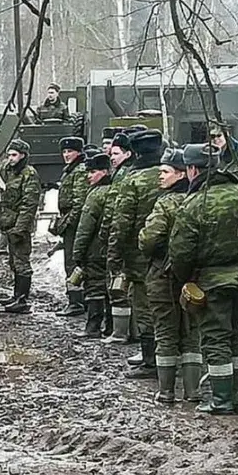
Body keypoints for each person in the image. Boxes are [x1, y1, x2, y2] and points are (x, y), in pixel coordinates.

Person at [168, 143, 238, 415]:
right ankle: (236, 397)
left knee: (215, 340)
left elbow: (181, 250)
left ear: (192, 169)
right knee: (234, 336)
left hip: (210, 281)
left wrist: (182, 280)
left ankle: (221, 400)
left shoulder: (194, 203)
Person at [137, 147, 202, 404]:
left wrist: (144, 240)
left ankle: (166, 392)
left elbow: (149, 239)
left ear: (181, 173)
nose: (159, 177)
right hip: (195, 278)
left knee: (165, 331)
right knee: (191, 333)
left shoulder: (166, 202)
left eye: (165, 172)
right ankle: (193, 391)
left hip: (163, 276)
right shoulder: (199, 199)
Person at [108, 129, 165, 377]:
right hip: (170, 253)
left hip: (139, 254)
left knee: (144, 306)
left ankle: (150, 361)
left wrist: (114, 254)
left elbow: (121, 221)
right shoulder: (171, 173)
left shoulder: (134, 180)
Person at [0, 139, 41, 313]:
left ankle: (22, 299)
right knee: (13, 262)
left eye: (14, 155)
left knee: (22, 262)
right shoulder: (5, 170)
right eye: (9, 155)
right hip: (7, 223)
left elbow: (29, 205)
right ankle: (16, 295)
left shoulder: (29, 174)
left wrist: (20, 229)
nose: (10, 158)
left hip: (19, 225)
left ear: (23, 156)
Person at [72, 150, 113, 337]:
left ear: (104, 171)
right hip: (110, 248)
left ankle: (93, 327)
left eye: (92, 172)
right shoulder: (115, 190)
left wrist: (78, 253)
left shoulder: (96, 195)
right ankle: (111, 327)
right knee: (109, 288)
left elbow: (85, 227)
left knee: (94, 288)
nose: (89, 176)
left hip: (95, 250)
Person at [101, 130, 137, 341]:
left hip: (123, 238)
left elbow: (115, 209)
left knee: (120, 284)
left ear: (128, 154)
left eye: (115, 153)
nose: (111, 157)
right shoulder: (122, 173)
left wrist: (108, 235)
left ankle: (122, 332)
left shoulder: (125, 176)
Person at [52, 136, 90, 317]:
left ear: (78, 152)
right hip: (69, 220)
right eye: (64, 152)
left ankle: (76, 301)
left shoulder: (79, 171)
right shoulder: (71, 170)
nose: (66, 155)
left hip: (74, 224)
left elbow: (79, 202)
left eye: (70, 151)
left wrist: (66, 224)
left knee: (73, 263)